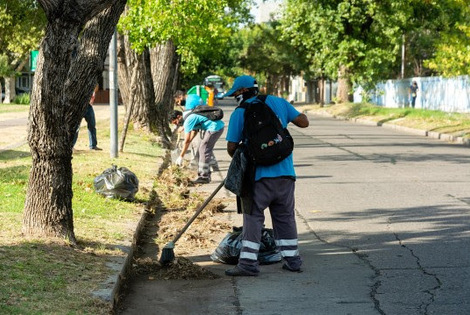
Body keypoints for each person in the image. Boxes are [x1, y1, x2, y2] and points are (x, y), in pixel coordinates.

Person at [224, 75, 309, 277]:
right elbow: (304, 122)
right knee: (285, 217)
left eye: (235, 93)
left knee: (253, 217)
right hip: (286, 174)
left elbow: (231, 147)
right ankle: (293, 261)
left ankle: (247, 264)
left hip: (257, 177)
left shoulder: (240, 112)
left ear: (241, 92)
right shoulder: (278, 102)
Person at [172, 94, 224, 184]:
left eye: (176, 122)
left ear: (178, 117)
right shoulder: (190, 117)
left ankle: (204, 177)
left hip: (214, 128)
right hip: (216, 127)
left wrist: (181, 156)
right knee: (203, 149)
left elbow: (187, 140)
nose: (177, 124)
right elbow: (194, 133)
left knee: (203, 149)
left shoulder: (188, 120)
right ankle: (205, 174)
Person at [73, 84, 102, 150]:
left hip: (89, 107)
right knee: (76, 128)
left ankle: (93, 145)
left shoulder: (93, 88)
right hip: (80, 106)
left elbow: (96, 87)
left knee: (92, 125)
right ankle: (71, 145)